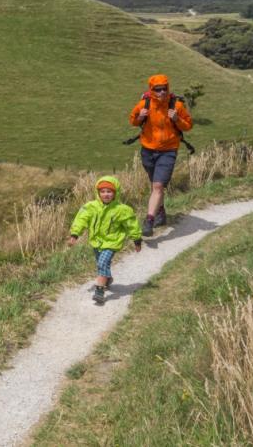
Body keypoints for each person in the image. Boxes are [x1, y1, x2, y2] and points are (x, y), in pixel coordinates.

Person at [128, 74, 193, 236]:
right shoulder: (145, 104)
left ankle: (149, 220)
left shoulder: (176, 106)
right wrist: (140, 117)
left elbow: (188, 126)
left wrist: (177, 119)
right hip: (148, 150)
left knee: (158, 186)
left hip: (168, 151)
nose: (162, 92)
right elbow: (133, 120)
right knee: (155, 184)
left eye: (165, 88)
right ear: (151, 90)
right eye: (158, 89)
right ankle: (161, 213)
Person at [67, 176, 142, 304]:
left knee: (102, 263)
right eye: (103, 191)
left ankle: (100, 291)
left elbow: (132, 224)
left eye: (109, 191)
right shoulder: (90, 207)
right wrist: (74, 235)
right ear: (98, 193)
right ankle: (107, 279)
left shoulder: (122, 209)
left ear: (116, 193)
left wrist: (137, 239)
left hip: (112, 242)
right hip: (96, 241)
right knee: (102, 264)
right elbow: (81, 220)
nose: (106, 194)